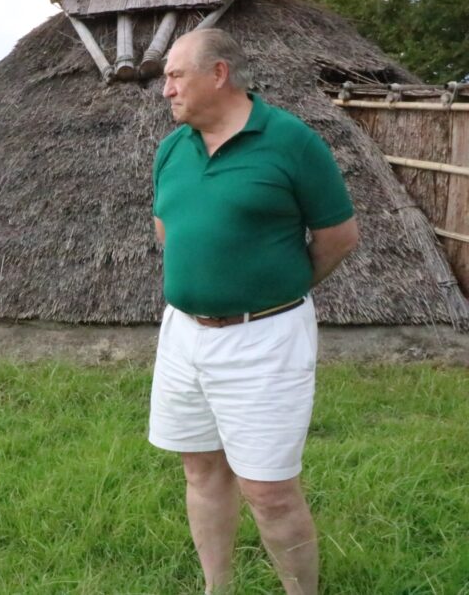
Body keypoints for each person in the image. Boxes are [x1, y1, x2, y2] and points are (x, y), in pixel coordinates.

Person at [150, 29, 359, 595]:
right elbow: (167, 230)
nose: (165, 88)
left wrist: (275, 290)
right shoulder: (173, 148)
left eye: (175, 75)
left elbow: (338, 236)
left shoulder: (291, 142)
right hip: (183, 334)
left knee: (269, 490)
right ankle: (218, 589)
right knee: (200, 470)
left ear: (218, 74)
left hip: (264, 338)